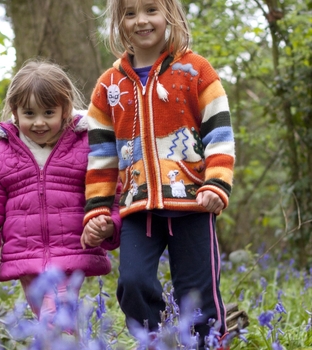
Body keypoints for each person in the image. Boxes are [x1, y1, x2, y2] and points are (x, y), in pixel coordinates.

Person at [81, 0, 235, 348]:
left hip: (192, 204)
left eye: (151, 10)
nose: (141, 21)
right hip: (138, 207)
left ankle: (206, 342)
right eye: (129, 13)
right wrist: (98, 210)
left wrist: (217, 182)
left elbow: (219, 133)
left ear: (170, 14)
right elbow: (102, 157)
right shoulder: (109, 87)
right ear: (118, 22)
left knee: (198, 295)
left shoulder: (196, 70)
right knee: (132, 283)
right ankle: (155, 341)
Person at [0, 59, 121, 324]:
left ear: (65, 109)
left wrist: (108, 225)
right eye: (29, 114)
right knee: (51, 322)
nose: (39, 122)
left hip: (70, 253)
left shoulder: (86, 147)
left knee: (55, 318)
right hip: (26, 256)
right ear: (14, 111)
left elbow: (111, 194)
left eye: (49, 113)